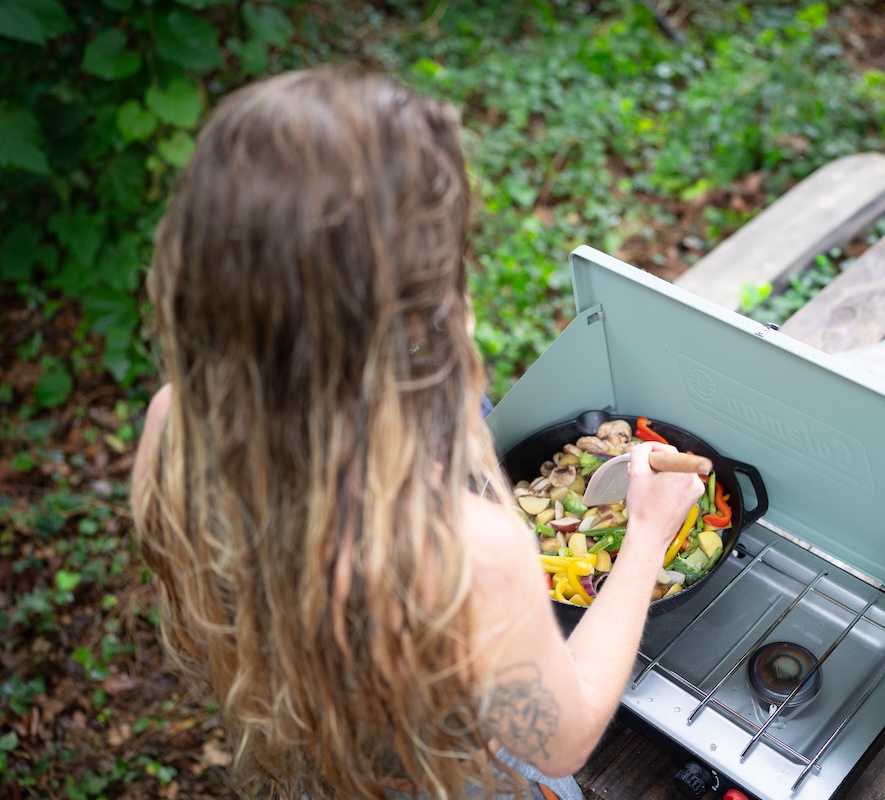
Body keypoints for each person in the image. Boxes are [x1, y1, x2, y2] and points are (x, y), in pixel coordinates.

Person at [131, 66, 703, 800]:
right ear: (408, 309)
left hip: (317, 761)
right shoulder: (464, 550)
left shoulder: (170, 421)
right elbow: (561, 740)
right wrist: (648, 536)